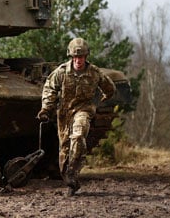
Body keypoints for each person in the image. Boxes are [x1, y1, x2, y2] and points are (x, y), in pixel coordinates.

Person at [36, 37, 115, 196]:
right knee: (64, 148)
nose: (78, 60)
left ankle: (72, 172)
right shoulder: (62, 72)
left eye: (81, 57)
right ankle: (69, 179)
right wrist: (46, 108)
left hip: (83, 110)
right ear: (71, 57)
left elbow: (109, 87)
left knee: (78, 136)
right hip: (64, 112)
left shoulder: (94, 73)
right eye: (75, 57)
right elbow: (50, 89)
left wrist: (106, 97)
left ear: (86, 56)